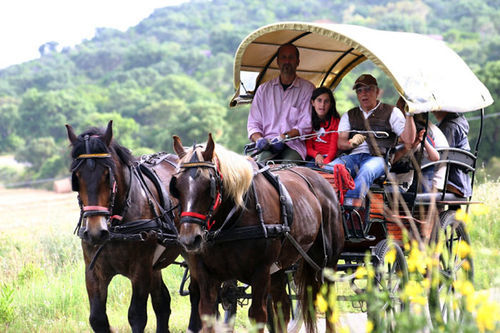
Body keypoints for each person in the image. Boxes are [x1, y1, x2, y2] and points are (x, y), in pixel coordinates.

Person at [323, 74, 415, 208]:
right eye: (359, 90)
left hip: (379, 158)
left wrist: (409, 114)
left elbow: (409, 140)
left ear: (377, 92)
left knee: (366, 170)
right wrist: (351, 143)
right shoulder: (350, 114)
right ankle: (326, 205)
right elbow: (340, 143)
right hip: (353, 157)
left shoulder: (392, 112)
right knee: (327, 170)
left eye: (368, 89)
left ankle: (350, 208)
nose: (363, 94)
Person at [247, 43, 315, 161]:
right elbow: (253, 124)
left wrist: (284, 137)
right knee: (260, 169)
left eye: (291, 57)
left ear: (298, 62)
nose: (287, 61)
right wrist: (259, 140)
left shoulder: (307, 89)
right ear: (277, 61)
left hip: (293, 146)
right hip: (267, 144)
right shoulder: (263, 90)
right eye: (283, 57)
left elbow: (306, 124)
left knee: (288, 170)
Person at [390, 115, 440, 192]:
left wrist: (424, 141)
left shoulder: (417, 146)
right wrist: (406, 148)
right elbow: (391, 161)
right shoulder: (395, 143)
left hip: (401, 184)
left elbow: (435, 157)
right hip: (387, 180)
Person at [433, 111, 472, 197]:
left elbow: (441, 155)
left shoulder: (449, 127)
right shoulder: (455, 122)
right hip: (461, 180)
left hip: (454, 181)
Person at [305, 87, 341, 167]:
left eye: (326, 101)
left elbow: (333, 147)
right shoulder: (308, 120)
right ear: (312, 102)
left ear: (331, 104)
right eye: (319, 100)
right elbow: (308, 146)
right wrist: (316, 155)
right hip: (315, 157)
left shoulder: (335, 121)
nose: (322, 105)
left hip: (331, 158)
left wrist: (326, 161)